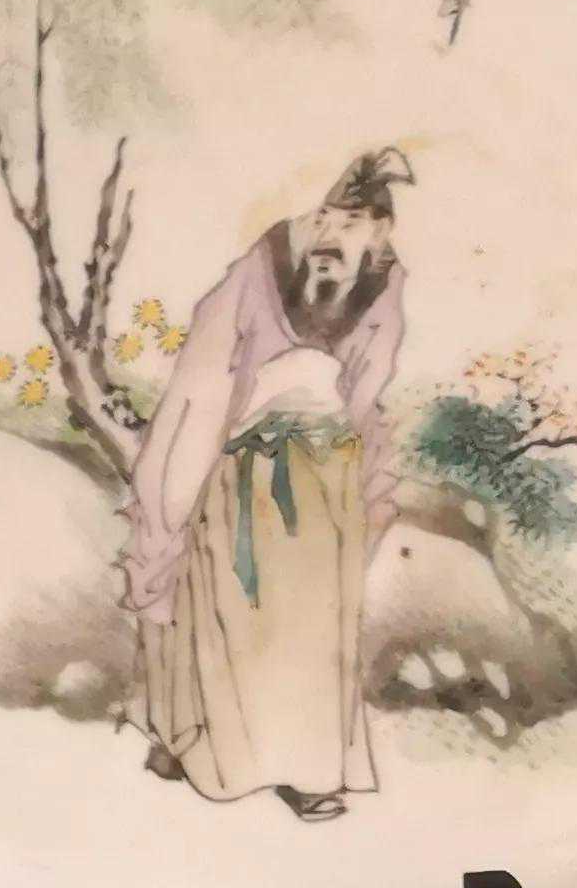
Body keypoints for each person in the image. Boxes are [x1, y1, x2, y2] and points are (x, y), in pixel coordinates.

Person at [123, 148, 412, 819]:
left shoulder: (384, 286)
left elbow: (368, 379)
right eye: (327, 219)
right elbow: (210, 365)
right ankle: (206, 746)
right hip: (244, 464)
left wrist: (337, 443)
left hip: (325, 474)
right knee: (228, 609)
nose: (332, 237)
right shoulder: (266, 266)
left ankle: (308, 770)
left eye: (352, 225)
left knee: (311, 625)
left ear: (378, 234)